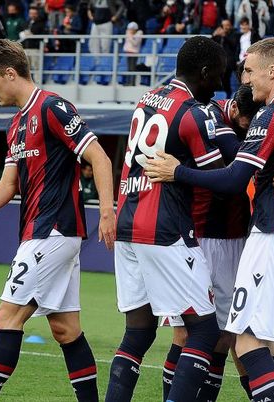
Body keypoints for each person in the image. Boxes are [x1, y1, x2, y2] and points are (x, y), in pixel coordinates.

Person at [144, 37, 274, 402]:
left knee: (247, 340)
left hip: (272, 237)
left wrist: (178, 173)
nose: (245, 80)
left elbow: (235, 179)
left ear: (272, 70)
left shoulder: (272, 114)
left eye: (249, 71)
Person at [0, 38, 116, 402]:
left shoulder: (53, 108)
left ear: (11, 73)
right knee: (65, 329)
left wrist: (107, 211)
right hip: (41, 234)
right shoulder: (16, 125)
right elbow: (8, 183)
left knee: (6, 318)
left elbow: (101, 158)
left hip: (54, 231)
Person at [105, 36, 227, 402]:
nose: (220, 85)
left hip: (127, 223)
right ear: (203, 72)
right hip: (165, 229)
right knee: (205, 331)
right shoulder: (193, 112)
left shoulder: (146, 100)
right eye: (217, 76)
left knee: (138, 333)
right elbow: (221, 179)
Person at [160, 84, 261, 402]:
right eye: (246, 125)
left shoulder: (248, 119)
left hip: (235, 238)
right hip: (200, 235)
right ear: (235, 113)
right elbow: (231, 176)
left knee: (224, 333)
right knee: (188, 331)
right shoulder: (209, 116)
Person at [212, 18, 240, 96]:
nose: (225, 27)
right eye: (224, 26)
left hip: (230, 62)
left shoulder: (234, 34)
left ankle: (228, 95)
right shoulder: (219, 35)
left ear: (230, 26)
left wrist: (224, 36)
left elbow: (233, 44)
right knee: (220, 80)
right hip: (220, 62)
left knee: (227, 80)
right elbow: (211, 43)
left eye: (227, 25)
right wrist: (214, 35)